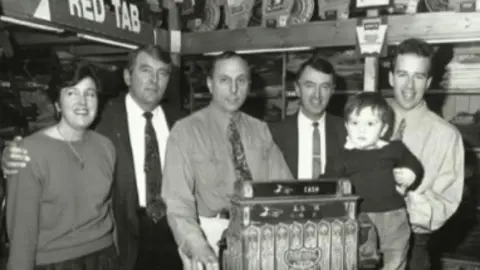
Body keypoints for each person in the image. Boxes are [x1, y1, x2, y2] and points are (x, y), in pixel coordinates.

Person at [1, 45, 185, 270]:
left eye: (163, 73)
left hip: (167, 238)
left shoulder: (182, 122)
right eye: (145, 70)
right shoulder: (103, 124)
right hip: (125, 245)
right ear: (127, 76)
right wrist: (10, 155)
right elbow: (22, 236)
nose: (154, 80)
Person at [161, 51, 293, 270]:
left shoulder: (260, 130)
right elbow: (177, 202)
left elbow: (284, 189)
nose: (234, 90)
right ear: (210, 84)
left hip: (261, 232)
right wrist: (198, 246)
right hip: (210, 235)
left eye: (241, 81)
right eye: (225, 80)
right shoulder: (186, 131)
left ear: (249, 85)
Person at [6, 62, 119, 269]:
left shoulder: (106, 147)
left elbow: (109, 210)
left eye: (90, 94)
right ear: (58, 104)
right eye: (71, 93)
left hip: (104, 257)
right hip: (54, 262)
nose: (82, 101)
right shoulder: (29, 152)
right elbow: (22, 235)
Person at [388, 38, 464, 270]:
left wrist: (401, 201)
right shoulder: (361, 120)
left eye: (418, 76)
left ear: (429, 82)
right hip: (360, 238)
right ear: (391, 77)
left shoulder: (447, 136)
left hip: (414, 247)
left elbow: (444, 204)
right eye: (402, 74)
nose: (409, 86)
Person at [333, 92, 423, 270]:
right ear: (346, 126)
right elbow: (328, 180)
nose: (361, 130)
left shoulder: (394, 148)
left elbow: (414, 164)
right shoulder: (342, 155)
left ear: (383, 129)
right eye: (355, 122)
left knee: (395, 259)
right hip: (359, 218)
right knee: (358, 261)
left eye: (370, 123)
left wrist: (410, 172)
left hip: (394, 217)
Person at [269, 56, 346, 179]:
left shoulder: (347, 132)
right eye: (310, 86)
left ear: (332, 91)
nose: (317, 95)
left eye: (324, 87)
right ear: (297, 89)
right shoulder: (274, 134)